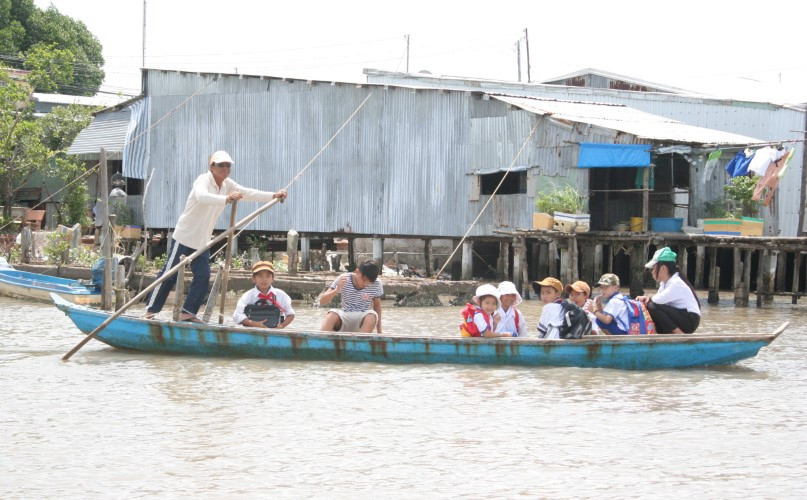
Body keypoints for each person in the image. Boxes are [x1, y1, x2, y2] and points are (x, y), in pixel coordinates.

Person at [145, 151, 288, 321]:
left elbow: (248, 193)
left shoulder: (228, 184)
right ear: (211, 167)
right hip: (185, 235)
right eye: (220, 165)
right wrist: (226, 199)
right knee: (169, 274)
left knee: (203, 276)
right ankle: (150, 311)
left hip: (203, 240)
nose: (225, 168)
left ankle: (187, 313)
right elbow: (202, 196)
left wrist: (273, 195)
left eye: (228, 165)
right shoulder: (203, 180)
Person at [636, 247, 701, 334]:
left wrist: (647, 298)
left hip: (690, 319)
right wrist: (647, 298)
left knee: (652, 306)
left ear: (663, 268)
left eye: (654, 268)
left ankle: (680, 335)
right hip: (683, 317)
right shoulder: (664, 283)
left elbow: (657, 301)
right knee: (651, 307)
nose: (652, 272)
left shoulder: (676, 283)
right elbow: (658, 300)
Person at [319, 259, 384, 333]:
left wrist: (379, 331)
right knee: (331, 315)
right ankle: (321, 343)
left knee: (372, 316)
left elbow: (377, 306)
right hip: (345, 316)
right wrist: (337, 290)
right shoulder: (343, 278)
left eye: (370, 282)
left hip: (363, 319)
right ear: (357, 272)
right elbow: (322, 301)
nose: (365, 284)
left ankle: (360, 343)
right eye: (364, 280)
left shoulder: (377, 284)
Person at [233, 261, 295, 328]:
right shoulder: (247, 296)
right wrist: (253, 324)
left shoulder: (281, 295)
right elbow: (237, 315)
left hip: (274, 331)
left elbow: (290, 314)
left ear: (272, 278)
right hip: (252, 331)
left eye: (268, 276)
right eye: (260, 276)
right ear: (253, 278)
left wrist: (281, 326)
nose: (264, 280)